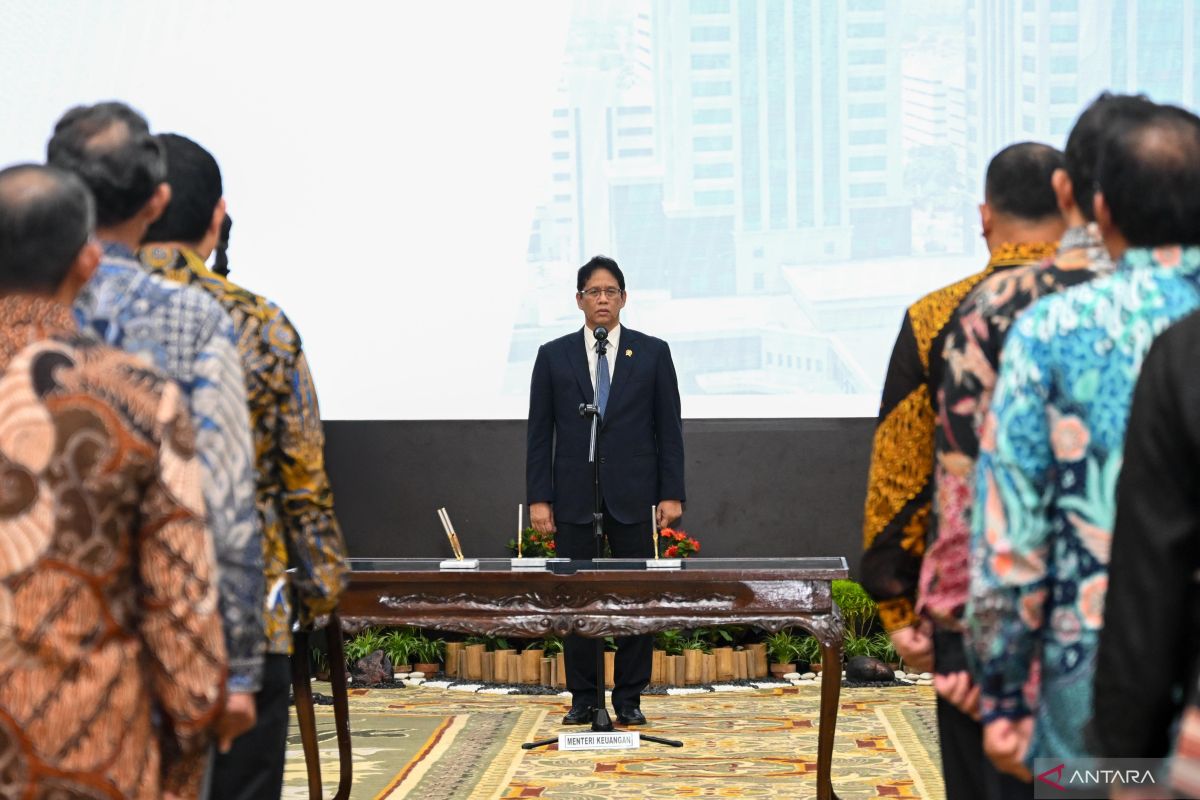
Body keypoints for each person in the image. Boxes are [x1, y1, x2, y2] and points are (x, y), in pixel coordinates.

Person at [923, 95, 1156, 798]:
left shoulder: (1009, 310)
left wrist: (966, 641)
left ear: (1071, 191)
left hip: (1060, 645)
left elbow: (982, 502)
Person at [968, 104, 1200, 780]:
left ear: (1101, 208)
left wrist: (1004, 695)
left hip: (1093, 700)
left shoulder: (1053, 329)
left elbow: (1011, 540)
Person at [0, 163, 227, 798]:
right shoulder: (138, 399)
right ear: (88, 263)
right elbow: (180, 599)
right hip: (89, 747)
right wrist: (190, 735)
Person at [45, 103, 263, 755]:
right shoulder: (194, 318)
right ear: (156, 199)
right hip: (160, 637)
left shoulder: (24, 316)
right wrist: (241, 666)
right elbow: (224, 499)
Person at [138, 133, 349, 798]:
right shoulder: (261, 324)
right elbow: (302, 484)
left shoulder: (79, 314)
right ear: (216, 216)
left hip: (122, 610)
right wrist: (318, 590)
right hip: (247, 610)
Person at [860, 142, 1064, 670]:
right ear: (1073, 207)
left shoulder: (936, 316)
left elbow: (899, 471)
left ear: (984, 216)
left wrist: (897, 603)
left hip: (974, 602)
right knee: (1090, 757)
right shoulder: (1116, 307)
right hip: (1097, 603)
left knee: (982, 752)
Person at [526, 255, 684, 726]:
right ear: (578, 300)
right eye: (593, 292)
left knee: (635, 599)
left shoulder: (652, 353)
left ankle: (630, 698)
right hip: (574, 496)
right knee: (577, 599)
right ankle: (584, 697)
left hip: (633, 495)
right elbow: (539, 433)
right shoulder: (553, 355)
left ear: (623, 299)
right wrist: (540, 497)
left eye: (610, 291)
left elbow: (668, 429)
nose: (602, 299)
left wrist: (671, 493)